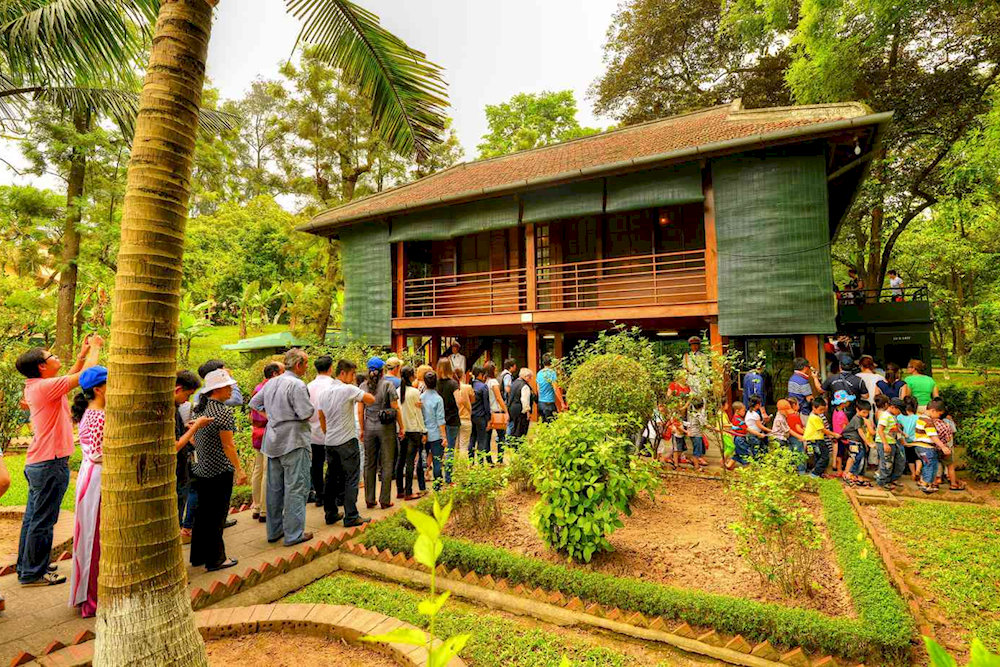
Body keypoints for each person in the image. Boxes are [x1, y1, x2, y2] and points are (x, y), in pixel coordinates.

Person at [15, 334, 103, 587]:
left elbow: (73, 376)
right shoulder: (44, 387)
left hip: (40, 463)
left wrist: (82, 355)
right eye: (51, 356)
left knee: (34, 518)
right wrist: (95, 348)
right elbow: (87, 376)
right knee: (43, 521)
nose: (55, 357)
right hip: (50, 464)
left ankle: (29, 565)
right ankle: (34, 573)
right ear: (42, 366)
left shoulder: (39, 385)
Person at [248, 349, 315, 548]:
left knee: (274, 488)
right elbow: (305, 413)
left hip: (273, 439)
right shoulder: (297, 384)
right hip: (294, 440)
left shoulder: (271, 382)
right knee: (296, 487)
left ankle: (274, 530)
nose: (307, 367)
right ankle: (294, 534)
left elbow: (254, 402)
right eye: (306, 363)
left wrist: (271, 416)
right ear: (299, 364)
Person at [189, 369, 247, 571]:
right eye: (227, 386)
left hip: (201, 468)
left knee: (202, 513)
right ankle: (215, 558)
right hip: (219, 470)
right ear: (217, 389)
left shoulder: (200, 407)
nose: (231, 390)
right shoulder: (223, 412)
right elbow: (228, 445)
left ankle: (198, 556)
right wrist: (239, 469)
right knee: (216, 515)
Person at [316, 359, 376, 527]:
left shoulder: (324, 393)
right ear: (342, 373)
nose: (353, 377)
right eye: (352, 374)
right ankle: (351, 515)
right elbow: (370, 399)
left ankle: (330, 513)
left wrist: (327, 432)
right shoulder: (348, 389)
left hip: (330, 441)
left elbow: (321, 416)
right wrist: (360, 391)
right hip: (347, 441)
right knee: (351, 478)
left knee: (331, 478)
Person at [69, 366, 106, 617]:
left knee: (90, 538)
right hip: (96, 480)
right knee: (94, 539)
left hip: (90, 476)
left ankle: (88, 594)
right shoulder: (99, 416)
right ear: (99, 389)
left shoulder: (91, 412)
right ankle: (92, 599)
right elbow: (97, 453)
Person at [360, 357, 404, 509]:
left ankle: (369, 499)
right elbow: (395, 407)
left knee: (369, 463)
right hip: (386, 428)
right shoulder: (387, 385)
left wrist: (362, 429)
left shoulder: (363, 386)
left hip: (369, 427)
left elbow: (360, 410)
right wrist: (402, 427)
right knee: (387, 463)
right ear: (382, 371)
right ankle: (385, 500)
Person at [174, 370, 213, 541]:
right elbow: (175, 445)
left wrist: (186, 427)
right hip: (177, 470)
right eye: (187, 395)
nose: (187, 401)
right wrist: (196, 427)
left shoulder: (175, 409)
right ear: (178, 389)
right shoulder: (169, 410)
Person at [249, 363, 283, 524]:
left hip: (257, 432)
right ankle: (265, 510)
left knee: (258, 470)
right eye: (283, 372)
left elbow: (251, 414)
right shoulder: (271, 388)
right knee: (267, 471)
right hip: (268, 433)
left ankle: (256, 507)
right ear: (275, 374)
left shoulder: (258, 387)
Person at [307, 355, 335, 508]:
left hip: (312, 431)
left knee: (316, 465)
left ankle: (319, 494)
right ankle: (332, 495)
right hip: (331, 430)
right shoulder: (333, 385)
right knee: (333, 464)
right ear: (330, 368)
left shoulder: (308, 386)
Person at [395, 365, 426, 499]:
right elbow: (418, 414)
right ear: (411, 376)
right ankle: (408, 492)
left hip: (401, 430)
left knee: (401, 459)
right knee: (410, 461)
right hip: (413, 430)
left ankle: (399, 490)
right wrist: (423, 430)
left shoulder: (397, 391)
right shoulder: (414, 392)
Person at [435, 359, 461, 484]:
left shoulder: (435, 383)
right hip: (452, 419)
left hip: (438, 420)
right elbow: (459, 401)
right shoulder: (453, 384)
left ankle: (437, 477)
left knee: (438, 449)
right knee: (450, 448)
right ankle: (448, 478)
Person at [913, 400, 947, 494]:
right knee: (930, 464)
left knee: (928, 464)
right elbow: (933, 436)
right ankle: (925, 485)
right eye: (939, 414)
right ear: (933, 411)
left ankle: (926, 483)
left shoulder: (921, 418)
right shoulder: (928, 421)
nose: (939, 417)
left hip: (920, 447)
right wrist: (943, 446)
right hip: (926, 448)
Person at [421, 372, 447, 488]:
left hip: (424, 433)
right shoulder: (438, 399)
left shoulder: (421, 398)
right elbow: (440, 419)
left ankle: (423, 485)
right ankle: (437, 486)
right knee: (437, 461)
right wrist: (444, 436)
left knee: (423, 459)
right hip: (436, 434)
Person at [875, 397, 907, 490]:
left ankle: (889, 480)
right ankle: (882, 482)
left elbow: (894, 428)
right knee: (886, 463)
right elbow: (880, 430)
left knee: (894, 461)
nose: (899, 413)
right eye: (899, 411)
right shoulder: (885, 416)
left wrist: (902, 433)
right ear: (893, 407)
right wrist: (885, 444)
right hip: (885, 442)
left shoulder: (893, 416)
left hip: (892, 442)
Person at [803, 397, 839, 479]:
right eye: (821, 410)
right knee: (825, 457)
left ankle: (818, 474)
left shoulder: (815, 416)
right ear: (814, 408)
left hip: (814, 439)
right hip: (817, 440)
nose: (822, 412)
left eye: (823, 410)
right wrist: (834, 434)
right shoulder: (815, 417)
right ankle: (815, 473)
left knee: (818, 457)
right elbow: (822, 429)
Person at [842, 400, 874, 486]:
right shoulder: (856, 419)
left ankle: (857, 477)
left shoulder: (861, 419)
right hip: (854, 441)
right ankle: (849, 475)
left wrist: (865, 443)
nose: (866, 414)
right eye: (864, 412)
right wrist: (868, 442)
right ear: (857, 410)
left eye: (867, 413)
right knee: (856, 457)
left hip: (858, 441)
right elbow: (860, 432)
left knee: (860, 458)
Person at [484, 361, 509, 462]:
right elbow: (498, 398)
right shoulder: (494, 382)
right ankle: (500, 459)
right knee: (501, 436)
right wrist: (506, 410)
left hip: (488, 411)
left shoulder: (485, 382)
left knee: (487, 437)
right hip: (496, 411)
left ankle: (488, 459)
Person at [469, 366, 493, 464]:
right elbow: (486, 405)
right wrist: (489, 418)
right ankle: (480, 462)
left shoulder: (470, 385)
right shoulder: (483, 387)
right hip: (481, 416)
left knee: (472, 439)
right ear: (480, 374)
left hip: (471, 416)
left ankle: (470, 461)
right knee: (481, 440)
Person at [830, 390, 854, 477]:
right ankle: (845, 470)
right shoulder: (841, 414)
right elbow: (844, 427)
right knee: (847, 453)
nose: (849, 402)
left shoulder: (835, 411)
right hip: (842, 436)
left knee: (839, 453)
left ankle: (839, 470)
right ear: (843, 403)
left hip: (837, 435)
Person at [897, 396, 920, 481]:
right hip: (916, 441)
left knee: (910, 458)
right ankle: (918, 470)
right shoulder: (917, 417)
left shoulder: (899, 417)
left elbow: (898, 429)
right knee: (918, 457)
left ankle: (913, 473)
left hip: (904, 441)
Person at [508, 367, 535, 438]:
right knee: (521, 429)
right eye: (530, 377)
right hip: (520, 410)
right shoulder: (525, 386)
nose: (531, 379)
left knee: (514, 428)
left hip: (512, 408)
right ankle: (519, 443)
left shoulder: (514, 383)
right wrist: (527, 412)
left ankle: (513, 442)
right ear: (526, 376)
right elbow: (525, 400)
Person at [536, 354, 563, 423]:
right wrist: (562, 402)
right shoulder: (552, 373)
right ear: (551, 362)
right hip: (549, 403)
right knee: (552, 424)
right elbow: (555, 388)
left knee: (544, 424)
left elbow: (538, 389)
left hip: (541, 403)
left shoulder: (539, 373)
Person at [784, 397, 807, 473]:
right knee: (800, 454)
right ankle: (801, 472)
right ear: (794, 405)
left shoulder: (787, 415)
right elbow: (798, 428)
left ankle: (792, 471)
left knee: (792, 453)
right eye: (798, 404)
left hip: (790, 437)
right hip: (797, 437)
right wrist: (807, 433)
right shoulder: (794, 416)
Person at [744, 396, 770, 460]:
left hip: (752, 434)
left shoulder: (749, 412)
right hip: (754, 434)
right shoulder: (755, 414)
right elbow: (760, 426)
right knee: (757, 451)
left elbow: (757, 424)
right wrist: (770, 430)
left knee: (757, 450)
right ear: (757, 405)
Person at [457, 370, 475, 458]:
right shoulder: (467, 387)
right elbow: (473, 400)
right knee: (464, 445)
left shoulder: (452, 387)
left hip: (454, 419)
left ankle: (453, 464)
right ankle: (463, 464)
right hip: (465, 417)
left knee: (453, 446)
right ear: (463, 376)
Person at [729, 401, 750, 465]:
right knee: (745, 456)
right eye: (743, 411)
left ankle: (728, 466)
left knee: (738, 454)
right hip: (740, 439)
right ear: (737, 411)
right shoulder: (739, 420)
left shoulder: (734, 417)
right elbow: (747, 429)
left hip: (737, 438)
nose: (744, 412)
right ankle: (747, 468)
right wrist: (758, 433)